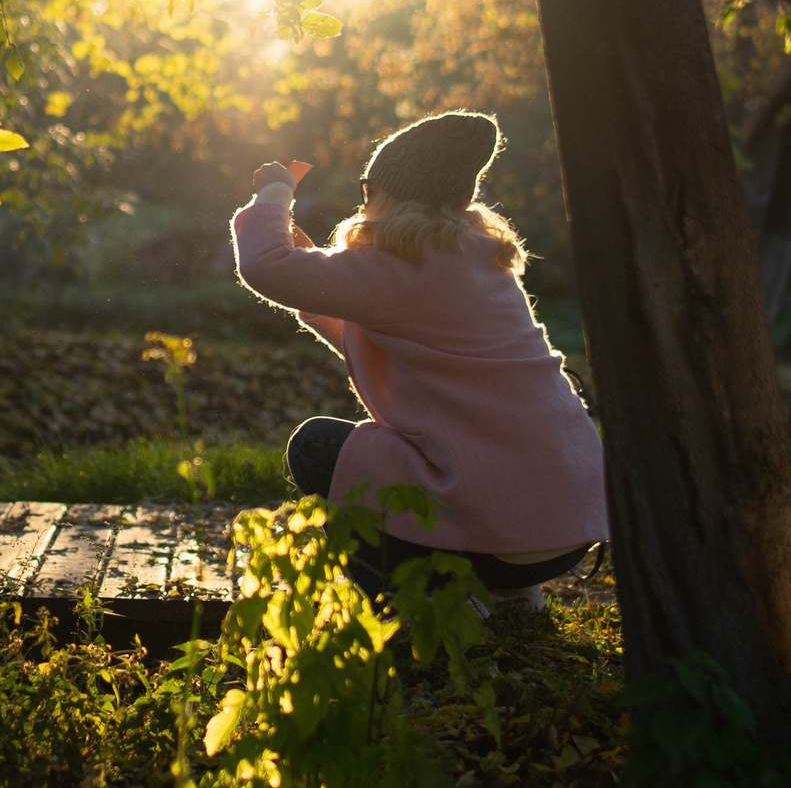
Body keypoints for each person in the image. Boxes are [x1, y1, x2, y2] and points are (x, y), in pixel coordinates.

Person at [230, 110, 607, 607]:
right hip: (568, 525)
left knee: (318, 447)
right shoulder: (477, 254)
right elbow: (373, 320)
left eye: (370, 190)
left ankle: (432, 598)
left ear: (394, 193)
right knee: (401, 454)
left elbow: (266, 267)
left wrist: (276, 193)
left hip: (502, 526)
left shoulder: (396, 266)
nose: (363, 203)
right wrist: (312, 267)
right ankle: (512, 594)